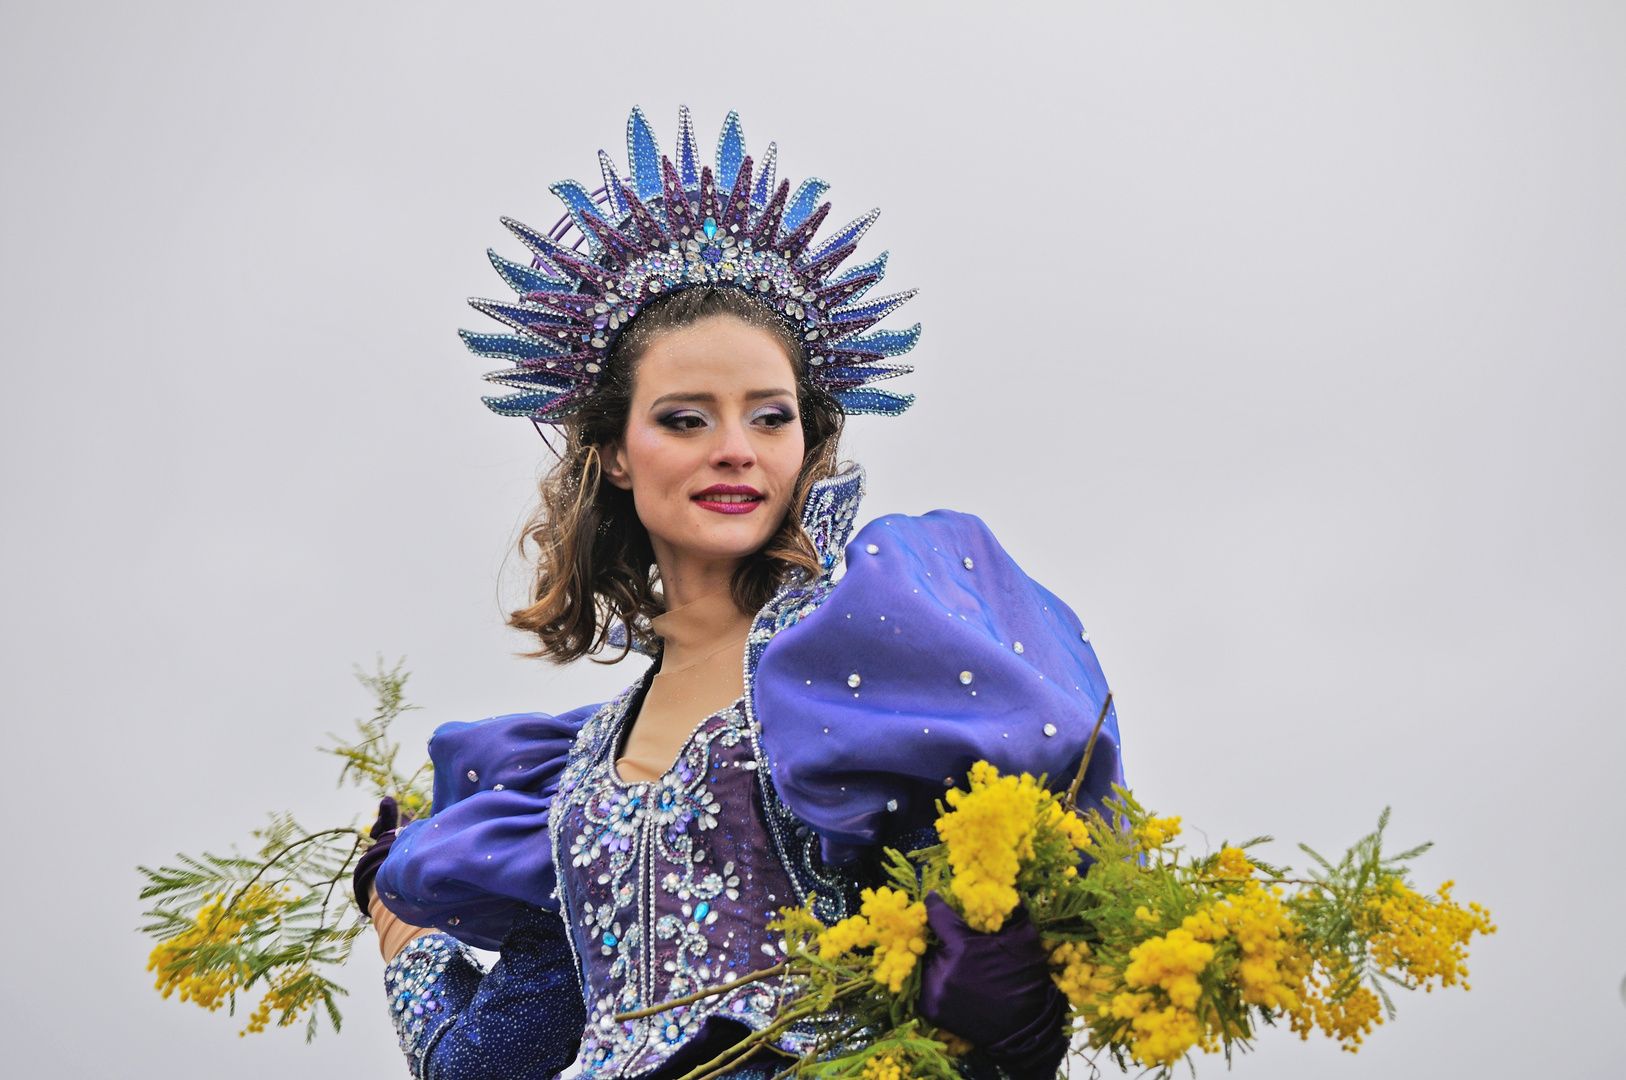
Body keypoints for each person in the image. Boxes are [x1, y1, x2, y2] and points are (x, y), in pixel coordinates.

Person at [354, 106, 1125, 1080]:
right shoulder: (573, 780)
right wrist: (404, 938)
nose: (734, 448)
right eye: (685, 418)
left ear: (806, 440)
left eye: (768, 416)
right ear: (616, 454)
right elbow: (490, 1068)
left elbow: (998, 1008)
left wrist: (1003, 978)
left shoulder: (879, 672)